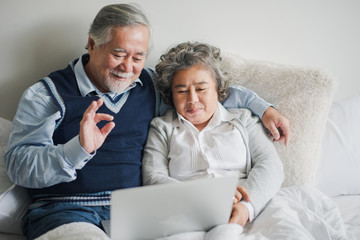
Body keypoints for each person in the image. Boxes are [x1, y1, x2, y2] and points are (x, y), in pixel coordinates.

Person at [4, 3, 289, 239]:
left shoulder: (149, 85)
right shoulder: (46, 95)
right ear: (92, 44)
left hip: (142, 214)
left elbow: (203, 95)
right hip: (68, 212)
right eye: (119, 54)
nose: (128, 67)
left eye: (138, 56)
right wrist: (76, 149)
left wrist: (264, 109)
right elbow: (18, 165)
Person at [142, 42, 284, 228]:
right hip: (187, 213)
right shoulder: (161, 128)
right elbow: (153, 177)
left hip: (251, 209)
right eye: (182, 91)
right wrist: (207, 198)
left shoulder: (243, 119)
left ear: (218, 88)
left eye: (201, 89)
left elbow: (271, 166)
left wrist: (246, 207)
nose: (192, 99)